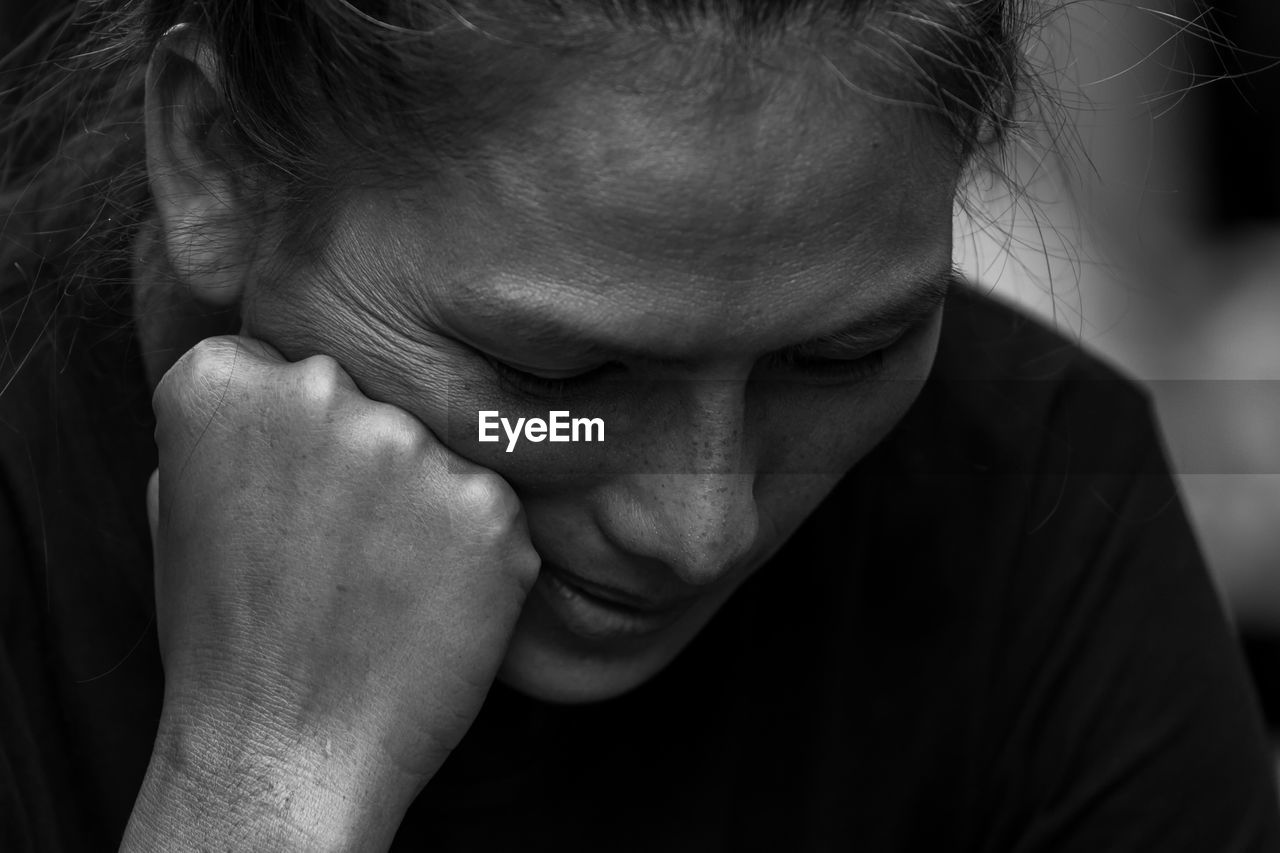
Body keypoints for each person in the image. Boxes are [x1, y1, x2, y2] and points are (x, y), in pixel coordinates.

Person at [1, 1, 1277, 850]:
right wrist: (262, 782)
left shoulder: (1039, 519)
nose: (699, 525)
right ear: (220, 159)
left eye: (839, 357)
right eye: (557, 379)